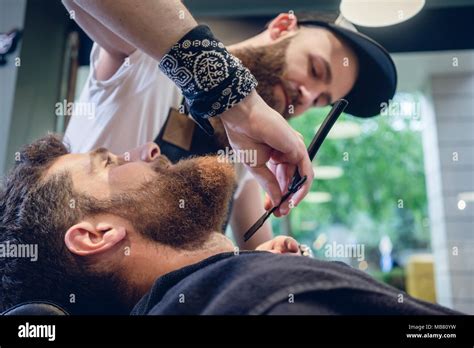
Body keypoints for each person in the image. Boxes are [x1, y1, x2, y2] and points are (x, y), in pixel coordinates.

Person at [62, 0, 397, 247]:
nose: (307, 97)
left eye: (321, 100)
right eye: (315, 70)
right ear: (281, 27)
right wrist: (239, 99)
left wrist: (273, 256)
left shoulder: (245, 162)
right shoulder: (145, 59)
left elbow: (255, 249)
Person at [0, 135, 458, 315]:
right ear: (97, 235)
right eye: (111, 163)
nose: (150, 151)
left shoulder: (230, 294)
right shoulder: (239, 304)